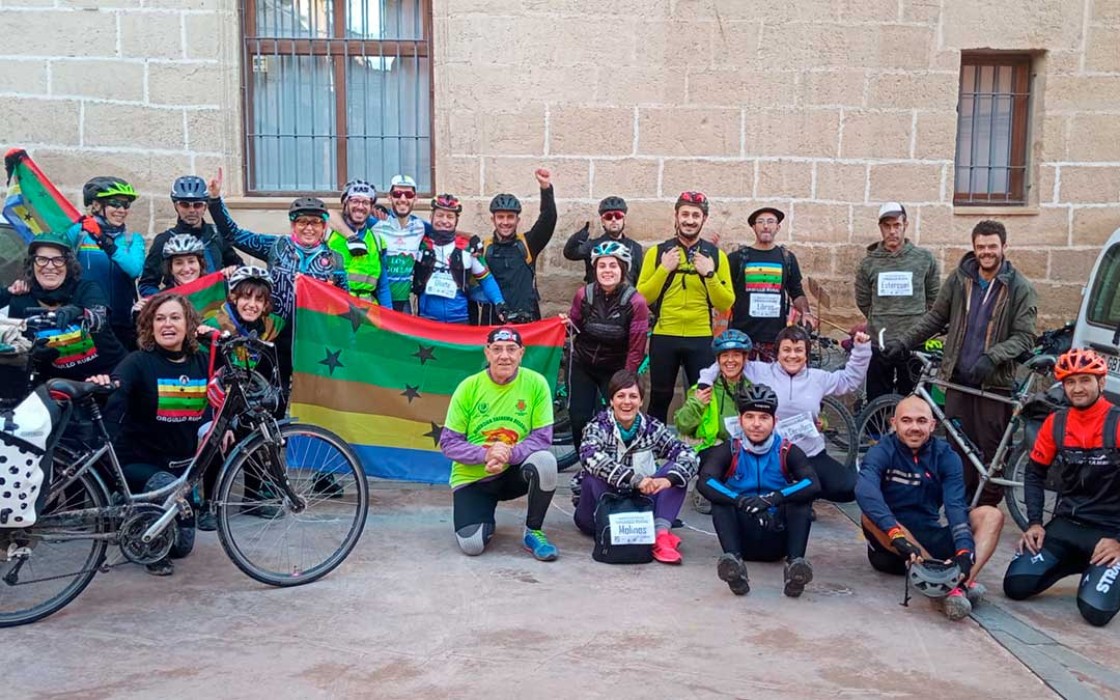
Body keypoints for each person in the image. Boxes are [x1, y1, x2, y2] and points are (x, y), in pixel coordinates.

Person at [884, 220, 1038, 507]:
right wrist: (904, 342)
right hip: (957, 378)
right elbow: (935, 317)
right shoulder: (960, 279)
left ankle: (985, 510)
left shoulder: (1019, 288)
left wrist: (993, 357)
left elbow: (1025, 338)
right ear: (974, 248)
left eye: (992, 246)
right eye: (981, 247)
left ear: (1004, 247)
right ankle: (962, 507)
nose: (986, 252)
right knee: (959, 450)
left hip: (993, 383)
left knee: (990, 454)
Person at [87, 292, 214, 576]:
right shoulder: (137, 362)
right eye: (159, 319)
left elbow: (220, 393)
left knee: (182, 547)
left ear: (189, 324)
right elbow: (116, 390)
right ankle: (130, 513)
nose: (167, 324)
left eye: (175, 317)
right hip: (137, 462)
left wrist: (219, 424)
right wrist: (102, 385)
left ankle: (147, 515)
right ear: (150, 325)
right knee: (164, 487)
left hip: (181, 468)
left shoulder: (202, 361)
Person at [856, 395, 1005, 621]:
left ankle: (958, 584)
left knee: (991, 515)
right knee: (869, 516)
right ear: (894, 423)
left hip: (931, 539)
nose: (914, 427)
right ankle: (941, 585)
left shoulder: (946, 456)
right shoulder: (881, 451)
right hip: (892, 546)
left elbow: (956, 508)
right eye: (906, 421)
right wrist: (897, 536)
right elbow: (864, 490)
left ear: (932, 425)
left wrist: (965, 551)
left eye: (921, 421)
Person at [1004, 348, 1120, 627]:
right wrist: (1034, 523)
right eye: (1070, 382)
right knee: (1015, 586)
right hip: (1067, 525)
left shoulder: (1117, 423)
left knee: (1095, 613)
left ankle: (1103, 566)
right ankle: (1082, 563)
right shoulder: (1056, 423)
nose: (1077, 388)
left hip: (1110, 532)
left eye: (1085, 380)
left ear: (1101, 383)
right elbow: (1033, 473)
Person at [439, 327, 559, 560]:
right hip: (474, 477)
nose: (504, 355)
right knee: (472, 546)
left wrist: (507, 455)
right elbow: (449, 443)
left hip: (513, 471)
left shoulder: (536, 383)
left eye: (511, 349)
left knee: (546, 462)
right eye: (497, 349)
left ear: (521, 353)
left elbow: (542, 438)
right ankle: (483, 517)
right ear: (487, 353)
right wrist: (487, 454)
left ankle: (533, 531)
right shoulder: (468, 387)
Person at [713, 325, 870, 503]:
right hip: (771, 454)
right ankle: (794, 494)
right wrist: (704, 382)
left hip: (809, 453)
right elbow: (727, 363)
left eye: (798, 350)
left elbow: (848, 380)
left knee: (847, 488)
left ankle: (799, 492)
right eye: (786, 350)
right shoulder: (760, 371)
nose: (792, 355)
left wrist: (861, 350)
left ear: (806, 354)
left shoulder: (818, 378)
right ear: (777, 353)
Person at [696, 384, 820, 597]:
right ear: (740, 419)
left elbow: (812, 483)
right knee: (721, 501)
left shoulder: (787, 450)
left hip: (777, 535)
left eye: (763, 417)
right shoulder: (730, 449)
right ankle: (734, 567)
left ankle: (795, 567)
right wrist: (739, 500)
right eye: (750, 417)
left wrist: (775, 498)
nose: (756, 424)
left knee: (801, 501)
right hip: (742, 537)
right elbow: (705, 481)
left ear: (775, 421)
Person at [575, 370, 697, 564]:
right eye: (620, 396)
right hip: (600, 511)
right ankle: (622, 531)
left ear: (641, 401)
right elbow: (590, 457)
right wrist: (635, 480)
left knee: (677, 472)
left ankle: (660, 536)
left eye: (633, 396)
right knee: (593, 475)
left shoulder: (652, 427)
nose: (627, 402)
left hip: (640, 507)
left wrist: (667, 480)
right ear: (611, 400)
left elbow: (688, 455)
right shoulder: (597, 426)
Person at [636, 191, 734, 423]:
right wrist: (664, 269)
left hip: (699, 337)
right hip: (664, 336)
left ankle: (702, 452)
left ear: (704, 219)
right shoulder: (658, 252)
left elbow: (726, 302)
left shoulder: (716, 256)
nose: (690, 220)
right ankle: (652, 449)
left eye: (696, 215)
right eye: (685, 214)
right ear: (676, 216)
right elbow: (641, 298)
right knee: (660, 397)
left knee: (701, 397)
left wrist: (709, 274)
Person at [206, 169, 348, 320]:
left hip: (313, 334)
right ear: (293, 225)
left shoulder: (335, 260)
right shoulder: (276, 246)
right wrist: (215, 200)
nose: (309, 228)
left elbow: (346, 305)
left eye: (316, 222)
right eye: (302, 222)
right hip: (275, 329)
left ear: (324, 227)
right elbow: (234, 235)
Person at [0, 233, 126, 381]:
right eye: (42, 260)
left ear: (68, 265)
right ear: (32, 264)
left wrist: (80, 312)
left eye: (58, 260)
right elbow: (20, 349)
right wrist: (33, 355)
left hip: (108, 375)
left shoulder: (86, 289)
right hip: (57, 386)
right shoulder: (22, 300)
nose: (50, 266)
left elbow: (100, 317)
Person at [565, 241, 649, 454]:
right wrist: (562, 325)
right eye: (602, 266)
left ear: (623, 268)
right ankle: (586, 463)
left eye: (613, 265)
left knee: (615, 418)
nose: (607, 271)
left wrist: (626, 380)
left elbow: (636, 347)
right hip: (583, 363)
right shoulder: (584, 295)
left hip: (615, 367)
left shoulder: (636, 302)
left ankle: (611, 463)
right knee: (579, 417)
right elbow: (572, 327)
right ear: (595, 269)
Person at [855, 202, 940, 401]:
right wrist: (882, 318)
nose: (892, 231)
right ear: (880, 228)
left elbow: (934, 299)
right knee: (878, 398)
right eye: (887, 226)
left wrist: (916, 325)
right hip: (880, 341)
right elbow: (863, 300)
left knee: (913, 397)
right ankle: (877, 432)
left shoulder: (924, 259)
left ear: (905, 225)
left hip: (914, 342)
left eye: (897, 225)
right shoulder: (868, 263)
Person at [65, 176, 146, 349]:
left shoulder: (133, 239)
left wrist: (103, 239)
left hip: (121, 323)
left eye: (126, 205)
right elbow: (54, 263)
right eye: (115, 203)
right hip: (85, 319)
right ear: (96, 205)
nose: (121, 210)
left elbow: (134, 269)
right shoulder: (78, 234)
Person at [727, 207, 814, 361]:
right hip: (743, 335)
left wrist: (806, 313)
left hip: (775, 336)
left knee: (774, 382)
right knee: (742, 383)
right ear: (754, 227)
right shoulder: (737, 258)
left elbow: (796, 291)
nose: (765, 226)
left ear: (778, 227)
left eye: (770, 222)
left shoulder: (787, 258)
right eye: (760, 222)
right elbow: (724, 290)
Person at [473, 168, 557, 325]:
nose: (505, 222)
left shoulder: (527, 243)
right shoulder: (484, 248)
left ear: (518, 220)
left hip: (526, 318)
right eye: (501, 217)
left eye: (510, 217)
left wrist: (545, 188)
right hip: (493, 320)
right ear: (493, 220)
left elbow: (548, 219)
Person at [138, 175, 241, 297]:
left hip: (213, 305)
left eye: (197, 205)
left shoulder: (216, 235)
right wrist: (162, 302)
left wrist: (233, 270)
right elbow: (147, 283)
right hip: (178, 306)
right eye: (185, 205)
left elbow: (240, 267)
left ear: (205, 207)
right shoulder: (164, 240)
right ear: (176, 206)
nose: (191, 210)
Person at [412, 193, 506, 324]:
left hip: (459, 320)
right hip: (427, 320)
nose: (444, 221)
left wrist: (499, 302)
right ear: (431, 217)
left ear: (456, 221)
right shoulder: (419, 244)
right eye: (440, 215)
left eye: (450, 217)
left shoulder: (468, 248)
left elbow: (486, 278)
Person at [675, 329, 755, 453]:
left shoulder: (753, 389)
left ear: (745, 358)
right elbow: (682, 426)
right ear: (718, 360)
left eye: (736, 355)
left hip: (745, 449)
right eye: (725, 355)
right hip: (710, 450)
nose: (730, 360)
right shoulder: (704, 388)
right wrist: (696, 403)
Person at [372, 174, 432, 313]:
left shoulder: (420, 226)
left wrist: (471, 237)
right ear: (390, 197)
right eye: (397, 194)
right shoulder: (376, 221)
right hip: (377, 300)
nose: (403, 199)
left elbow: (445, 231)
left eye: (409, 194)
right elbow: (333, 216)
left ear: (415, 199)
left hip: (404, 303)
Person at [326, 179, 388, 304]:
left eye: (365, 202)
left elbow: (383, 286)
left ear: (371, 207)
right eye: (355, 201)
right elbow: (325, 214)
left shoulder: (377, 240)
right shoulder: (328, 232)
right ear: (345, 202)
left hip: (367, 312)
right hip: (335, 310)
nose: (360, 207)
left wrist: (389, 318)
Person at [563, 196, 643, 286]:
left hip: (626, 297)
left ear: (624, 220)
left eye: (618, 216)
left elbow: (640, 278)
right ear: (602, 221)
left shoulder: (635, 248)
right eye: (608, 217)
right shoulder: (592, 246)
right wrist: (578, 238)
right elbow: (569, 253)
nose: (613, 220)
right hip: (597, 297)